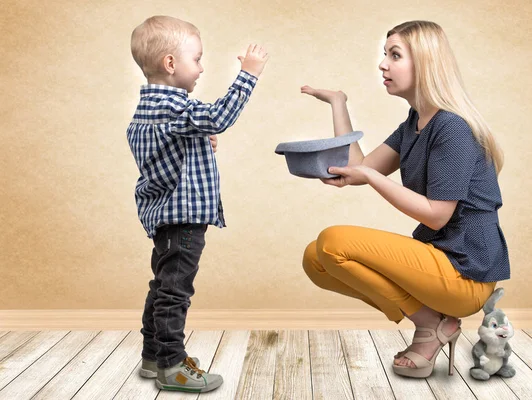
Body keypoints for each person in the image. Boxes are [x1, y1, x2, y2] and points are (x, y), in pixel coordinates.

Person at [301, 20, 509, 378]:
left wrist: (369, 177)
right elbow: (359, 167)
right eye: (385, 54)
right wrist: (338, 103)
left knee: (334, 241)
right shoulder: (416, 122)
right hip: (438, 261)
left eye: (394, 55)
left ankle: (430, 328)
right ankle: (432, 324)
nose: (382, 64)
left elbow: (437, 216)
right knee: (314, 258)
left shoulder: (452, 128)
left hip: (466, 273)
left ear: (425, 64)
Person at [127, 15, 268, 392]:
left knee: (162, 286)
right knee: (176, 291)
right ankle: (172, 364)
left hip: (165, 218)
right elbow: (219, 117)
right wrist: (248, 75)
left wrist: (197, 143)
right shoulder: (172, 108)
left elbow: (167, 153)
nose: (202, 68)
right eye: (197, 59)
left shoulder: (151, 109)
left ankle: (153, 355)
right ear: (170, 64)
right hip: (183, 218)